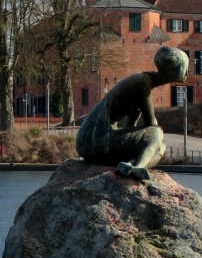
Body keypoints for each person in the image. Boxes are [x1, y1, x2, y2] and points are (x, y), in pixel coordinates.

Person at [76, 45, 189, 180]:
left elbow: (128, 128)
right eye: (185, 68)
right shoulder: (142, 83)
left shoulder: (140, 83)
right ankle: (139, 166)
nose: (187, 72)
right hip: (93, 141)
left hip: (89, 143)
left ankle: (130, 166)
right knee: (156, 133)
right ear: (172, 69)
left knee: (160, 148)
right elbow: (151, 125)